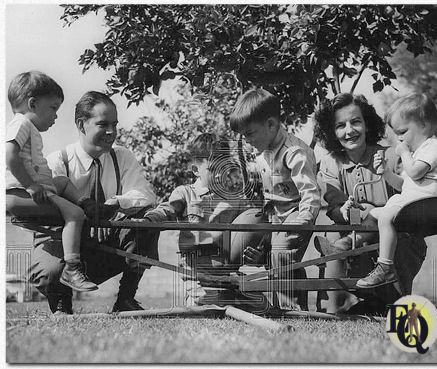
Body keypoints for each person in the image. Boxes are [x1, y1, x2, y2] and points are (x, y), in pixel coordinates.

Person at [27, 91, 159, 314]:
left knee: (147, 223)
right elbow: (43, 207)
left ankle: (126, 299)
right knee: (48, 271)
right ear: (81, 124)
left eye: (115, 125)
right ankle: (61, 302)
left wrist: (114, 204)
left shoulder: (122, 156)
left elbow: (146, 194)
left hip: (105, 244)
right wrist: (85, 215)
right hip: (64, 246)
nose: (112, 132)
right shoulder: (57, 161)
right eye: (103, 124)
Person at [313, 92, 428, 314]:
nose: (349, 131)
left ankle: (385, 299)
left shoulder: (392, 156)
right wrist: (345, 212)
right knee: (336, 237)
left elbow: (414, 199)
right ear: (332, 131)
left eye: (356, 122)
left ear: (367, 124)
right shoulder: (328, 163)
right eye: (341, 125)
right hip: (355, 245)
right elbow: (335, 208)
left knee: (392, 305)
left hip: (396, 247)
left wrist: (376, 210)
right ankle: (339, 303)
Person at [141, 133, 268, 310]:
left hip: (228, 272)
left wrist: (258, 254)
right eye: (212, 169)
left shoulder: (236, 199)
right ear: (195, 170)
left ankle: (228, 297)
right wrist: (149, 219)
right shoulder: (185, 193)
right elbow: (167, 209)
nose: (218, 175)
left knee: (263, 305)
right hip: (197, 272)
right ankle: (201, 298)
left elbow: (251, 228)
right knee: (206, 305)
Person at [229, 88, 321, 311]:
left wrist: (303, 220)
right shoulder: (263, 152)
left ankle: (292, 310)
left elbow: (310, 192)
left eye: (250, 134)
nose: (247, 140)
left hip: (296, 213)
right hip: (274, 215)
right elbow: (269, 193)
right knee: (244, 240)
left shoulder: (294, 152)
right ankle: (256, 302)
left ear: (271, 124)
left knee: (283, 249)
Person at [6, 71, 98, 292]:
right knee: (75, 215)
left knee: (64, 182)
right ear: (33, 103)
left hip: (32, 188)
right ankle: (72, 268)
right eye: (53, 108)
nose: (56, 116)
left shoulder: (27, 127)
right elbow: (9, 155)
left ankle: (86, 201)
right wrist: (30, 185)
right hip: (19, 193)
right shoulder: (22, 124)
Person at [356, 93, 437, 288]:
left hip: (430, 203)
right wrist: (385, 172)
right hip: (416, 201)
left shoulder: (433, 146)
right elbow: (404, 186)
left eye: (403, 132)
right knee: (376, 212)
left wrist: (405, 154)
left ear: (424, 125)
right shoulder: (417, 154)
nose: (399, 139)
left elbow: (415, 172)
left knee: (388, 212)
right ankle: (349, 242)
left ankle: (385, 267)